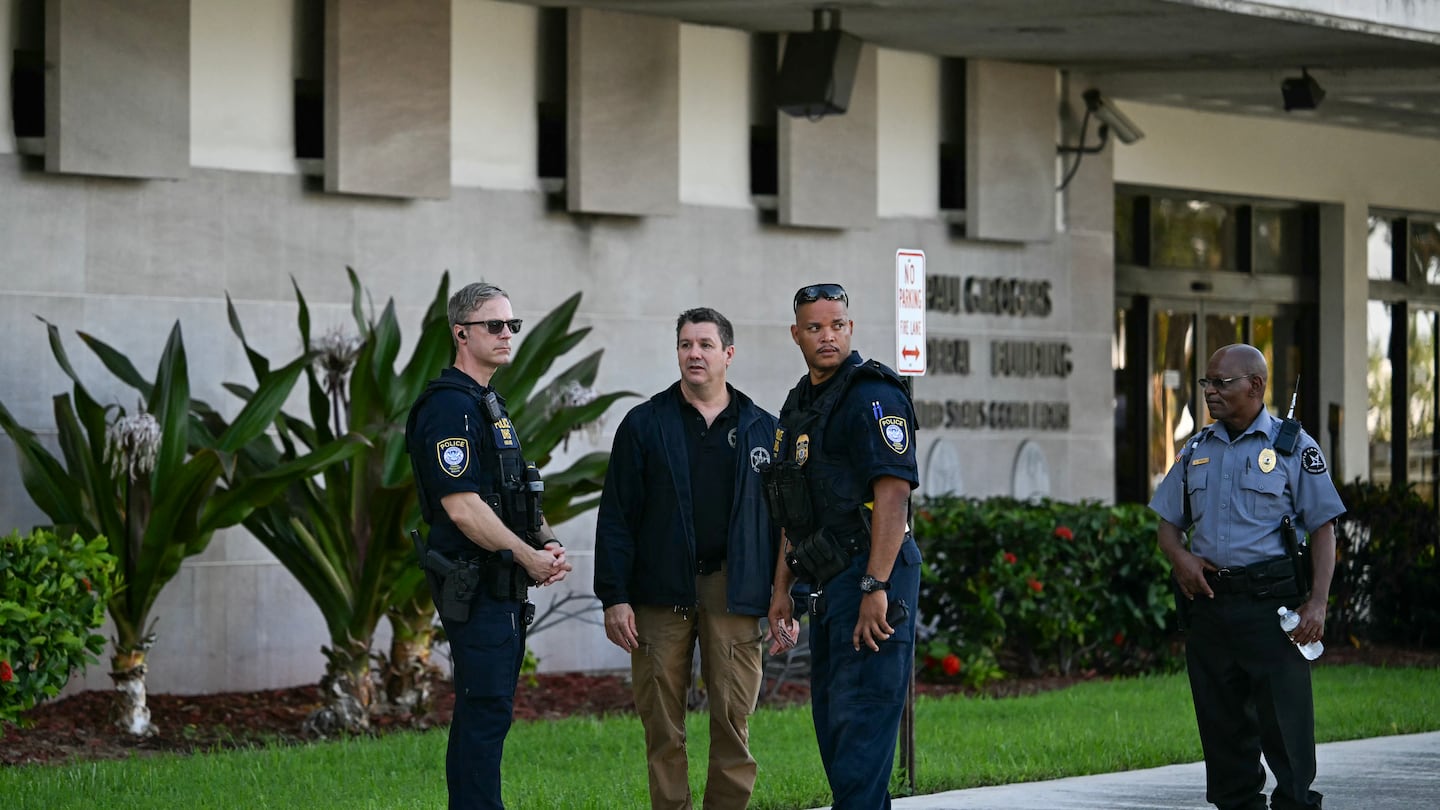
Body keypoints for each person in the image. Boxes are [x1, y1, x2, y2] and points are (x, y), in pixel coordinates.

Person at [594, 307, 793, 810]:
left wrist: (787, 597)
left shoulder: (763, 430)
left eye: (705, 344)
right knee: (661, 722)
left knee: (732, 719)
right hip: (660, 591)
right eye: (685, 344)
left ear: (728, 354)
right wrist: (615, 598)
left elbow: (785, 527)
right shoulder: (644, 425)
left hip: (735, 589)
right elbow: (617, 516)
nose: (694, 354)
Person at [1150, 343, 1345, 810]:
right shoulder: (1196, 448)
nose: (1210, 393)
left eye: (1222, 382)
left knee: (1287, 732)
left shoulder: (1293, 446)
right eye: (1207, 383)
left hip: (1271, 610)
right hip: (1211, 610)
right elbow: (1167, 527)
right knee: (1223, 735)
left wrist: (1317, 603)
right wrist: (1181, 558)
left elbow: (1323, 529)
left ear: (1255, 386)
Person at [406, 281, 571, 810]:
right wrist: (527, 558)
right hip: (475, 584)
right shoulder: (447, 408)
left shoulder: (486, 403)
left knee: (489, 710)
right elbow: (462, 506)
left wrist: (546, 541)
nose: (507, 334)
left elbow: (511, 492)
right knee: (483, 712)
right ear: (461, 333)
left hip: (500, 584)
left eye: (512, 325)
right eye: (494, 325)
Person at [765, 282, 922, 810]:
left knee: (862, 729)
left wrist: (875, 586)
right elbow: (792, 505)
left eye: (836, 325)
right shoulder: (800, 404)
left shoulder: (872, 394)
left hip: (874, 574)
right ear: (797, 335)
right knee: (835, 728)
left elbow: (894, 494)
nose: (826, 336)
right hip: (828, 581)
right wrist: (781, 589)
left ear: (850, 328)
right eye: (814, 327)